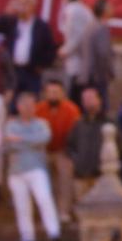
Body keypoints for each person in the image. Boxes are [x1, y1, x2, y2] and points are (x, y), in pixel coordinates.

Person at [7, 90, 61, 241]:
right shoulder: (11, 125)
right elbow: (8, 144)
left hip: (37, 168)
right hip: (16, 171)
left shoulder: (41, 124)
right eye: (25, 105)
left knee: (44, 199)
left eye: (32, 105)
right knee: (22, 206)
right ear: (19, 107)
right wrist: (28, 142)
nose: (29, 109)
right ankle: (27, 239)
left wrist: (21, 140)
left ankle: (54, 232)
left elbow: (43, 139)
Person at [37, 78, 81, 225]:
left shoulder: (71, 109)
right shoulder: (39, 109)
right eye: (50, 92)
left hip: (63, 150)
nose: (53, 95)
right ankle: (47, 214)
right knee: (45, 182)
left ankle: (63, 212)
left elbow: (74, 133)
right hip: (44, 151)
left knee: (65, 179)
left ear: (62, 93)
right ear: (45, 94)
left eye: (56, 92)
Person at [1, 0, 58, 96]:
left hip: (32, 72)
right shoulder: (10, 22)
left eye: (25, 3)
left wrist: (41, 65)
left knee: (30, 100)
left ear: (32, 6)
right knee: (11, 103)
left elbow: (50, 50)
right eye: (20, 3)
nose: (22, 7)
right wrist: (9, 11)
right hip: (12, 71)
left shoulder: (41, 27)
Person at [67, 86, 116, 200]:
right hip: (81, 175)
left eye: (90, 98)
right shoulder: (78, 123)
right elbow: (70, 145)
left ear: (99, 100)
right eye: (85, 99)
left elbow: (120, 144)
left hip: (102, 176)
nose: (88, 102)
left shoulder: (109, 122)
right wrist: (77, 161)